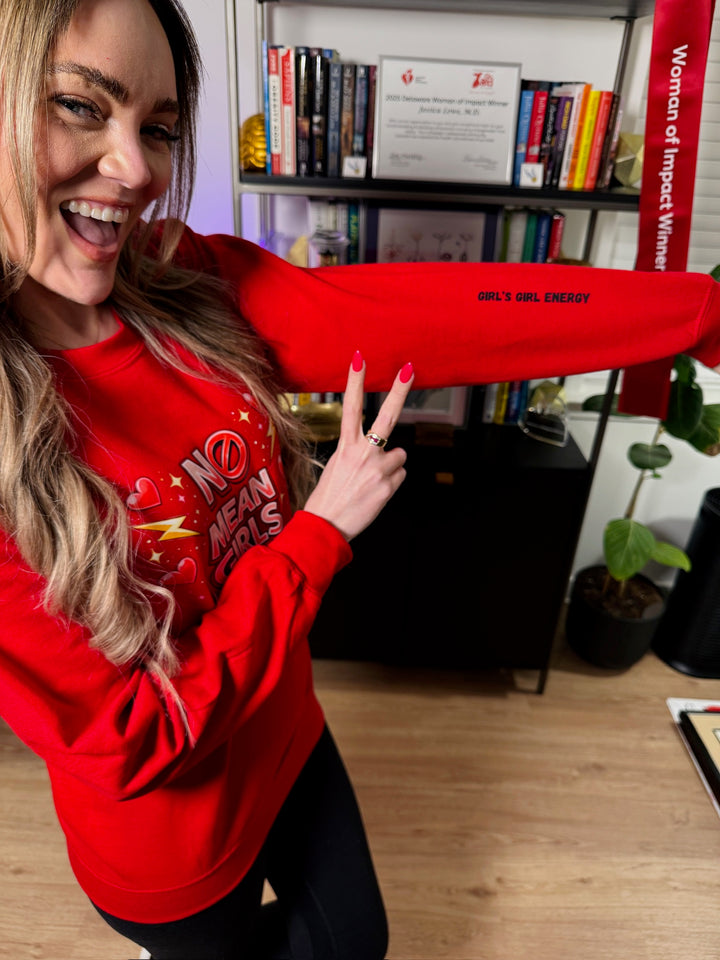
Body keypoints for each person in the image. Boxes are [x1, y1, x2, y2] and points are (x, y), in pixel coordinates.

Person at [1, 1, 720, 959]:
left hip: (282, 726)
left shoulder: (179, 277)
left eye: (159, 127)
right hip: (175, 841)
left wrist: (695, 313)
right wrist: (315, 539)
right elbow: (131, 736)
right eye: (80, 107)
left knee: (354, 942)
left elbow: (429, 318)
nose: (136, 168)